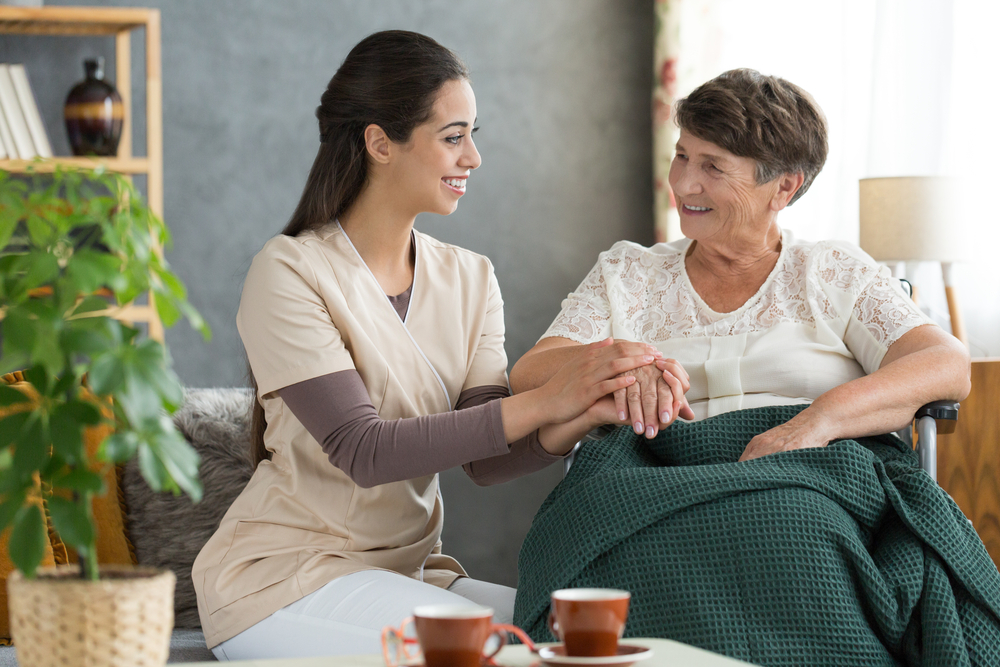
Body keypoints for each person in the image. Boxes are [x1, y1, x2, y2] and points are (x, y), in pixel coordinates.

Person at [191, 31, 657, 661]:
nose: (475, 157)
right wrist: (552, 396)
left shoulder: (471, 277)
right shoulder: (290, 271)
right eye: (453, 136)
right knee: (499, 650)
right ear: (380, 142)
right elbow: (365, 451)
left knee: (597, 639)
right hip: (283, 580)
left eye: (474, 134)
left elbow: (489, 459)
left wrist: (585, 411)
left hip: (411, 571)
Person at [510, 68, 970, 462]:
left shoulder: (832, 270)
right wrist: (621, 364)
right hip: (654, 488)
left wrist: (818, 420)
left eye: (713, 167)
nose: (685, 184)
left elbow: (945, 362)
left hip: (808, 485)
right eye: (682, 156)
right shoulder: (628, 273)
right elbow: (531, 372)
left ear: (784, 188)